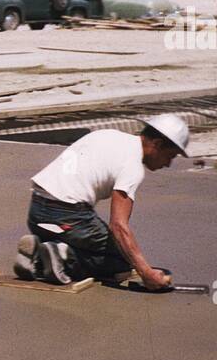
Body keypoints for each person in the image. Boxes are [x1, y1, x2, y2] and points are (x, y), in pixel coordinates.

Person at [14, 115, 191, 290]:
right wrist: (146, 272)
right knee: (122, 260)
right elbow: (118, 227)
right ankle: (63, 258)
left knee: (103, 249)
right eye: (170, 156)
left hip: (37, 212)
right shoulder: (132, 167)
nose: (168, 164)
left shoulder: (108, 135)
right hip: (68, 216)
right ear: (157, 144)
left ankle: (41, 256)